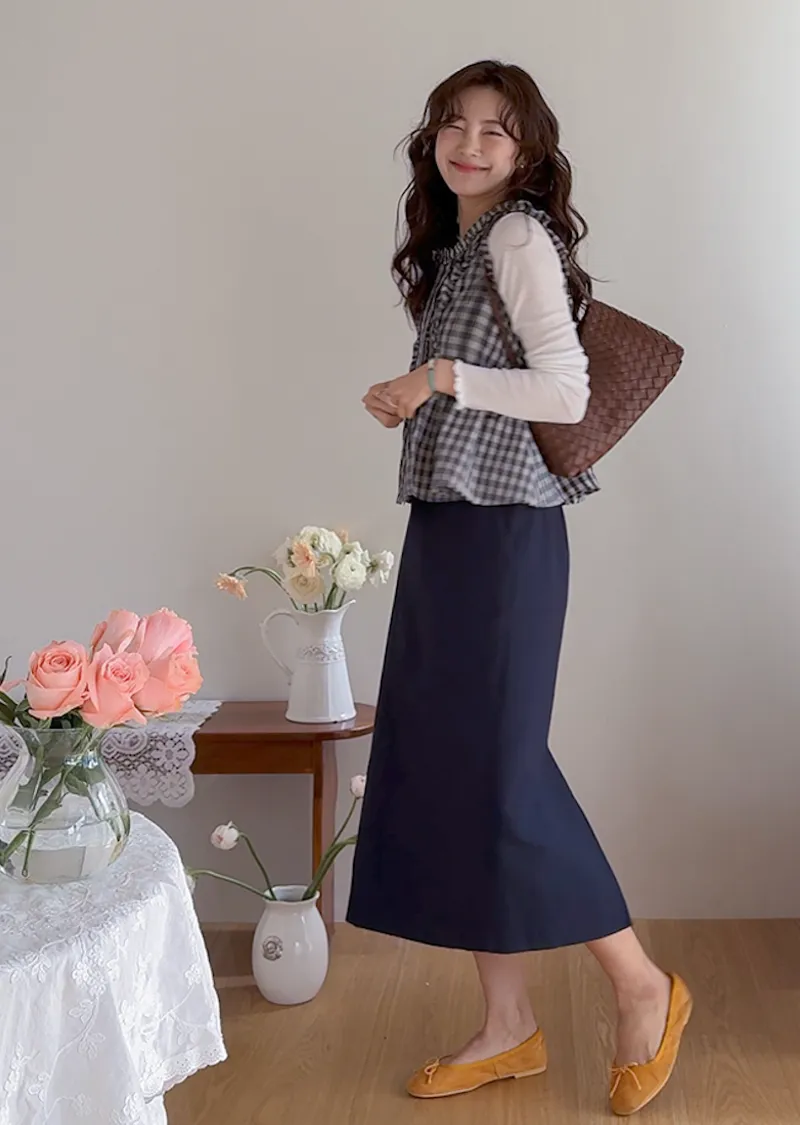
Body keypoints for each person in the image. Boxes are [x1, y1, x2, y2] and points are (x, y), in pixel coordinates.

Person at [346, 60, 691, 1116]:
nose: (469, 144)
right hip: (453, 527)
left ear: (528, 150)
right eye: (453, 124)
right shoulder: (460, 249)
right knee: (455, 770)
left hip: (504, 537)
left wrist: (434, 377)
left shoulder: (516, 239)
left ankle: (641, 985)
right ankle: (507, 1027)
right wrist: (420, 390)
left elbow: (564, 390)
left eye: (494, 130)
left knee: (500, 772)